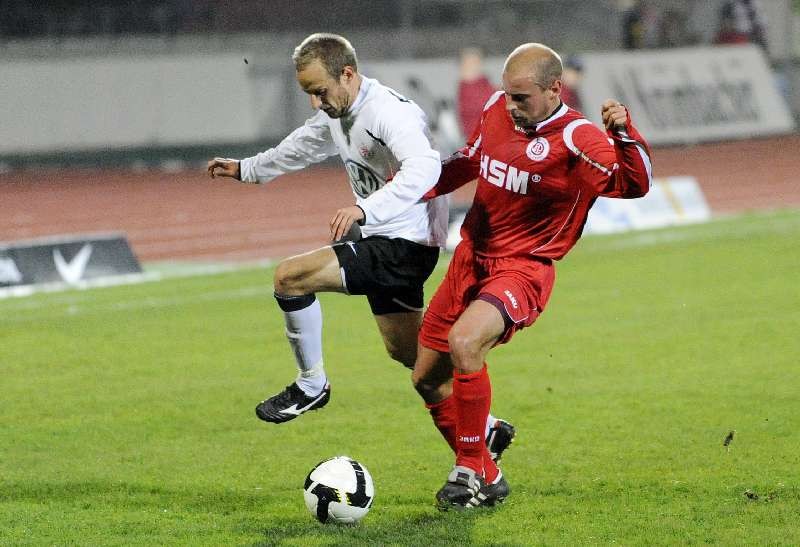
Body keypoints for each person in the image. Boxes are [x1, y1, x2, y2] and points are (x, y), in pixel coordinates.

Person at [206, 33, 516, 462]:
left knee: (290, 278)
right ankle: (488, 429)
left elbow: (425, 169)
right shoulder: (339, 109)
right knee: (412, 356)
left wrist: (365, 210)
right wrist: (246, 169)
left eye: (319, 91)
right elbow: (300, 146)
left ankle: (312, 384)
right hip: (386, 238)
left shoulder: (389, 113)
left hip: (404, 242)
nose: (316, 103)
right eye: (309, 95)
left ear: (347, 74)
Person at [412, 43, 653, 510]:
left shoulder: (578, 137)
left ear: (554, 89)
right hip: (470, 258)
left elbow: (635, 183)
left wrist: (624, 134)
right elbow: (470, 161)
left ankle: (467, 471)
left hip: (523, 268)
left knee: (466, 343)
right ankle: (488, 465)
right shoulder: (495, 110)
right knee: (426, 379)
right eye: (507, 95)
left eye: (521, 98)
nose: (510, 106)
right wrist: (411, 189)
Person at [456, 47, 497, 140]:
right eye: (470, 63)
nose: (474, 67)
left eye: (476, 62)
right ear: (462, 66)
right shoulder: (466, 89)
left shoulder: (484, 83)